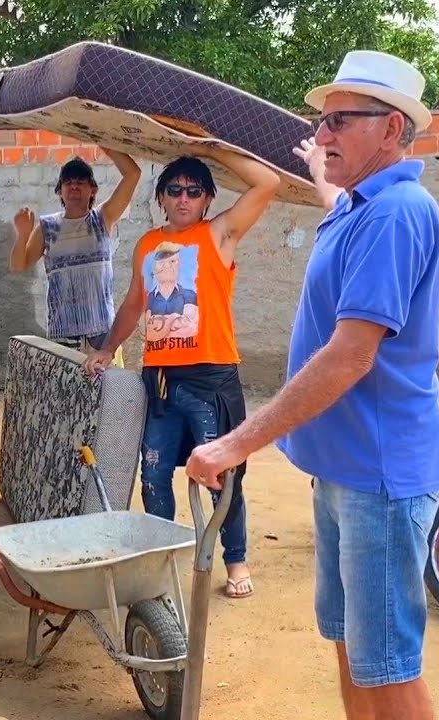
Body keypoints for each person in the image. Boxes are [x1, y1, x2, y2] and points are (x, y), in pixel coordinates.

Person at [184, 50, 439, 719]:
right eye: (320, 122)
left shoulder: (396, 214)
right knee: (351, 646)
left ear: (391, 130)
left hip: (378, 478)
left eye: (338, 122)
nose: (323, 135)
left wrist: (235, 445)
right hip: (343, 472)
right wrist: (318, 173)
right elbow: (335, 197)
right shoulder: (359, 204)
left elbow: (349, 358)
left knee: (387, 667)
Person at [84, 146, 280, 599]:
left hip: (211, 379)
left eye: (194, 190)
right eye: (174, 190)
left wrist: (211, 148)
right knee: (153, 475)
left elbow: (266, 183)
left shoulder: (220, 234)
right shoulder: (148, 246)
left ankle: (235, 560)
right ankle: (162, 562)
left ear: (208, 199)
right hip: (162, 382)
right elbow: (135, 304)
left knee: (220, 475)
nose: (184, 198)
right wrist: (107, 348)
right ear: (161, 198)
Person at [11, 149, 141, 362]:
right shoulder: (47, 227)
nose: (74, 186)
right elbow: (18, 265)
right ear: (59, 191)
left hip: (102, 335)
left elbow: (133, 174)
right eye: (68, 182)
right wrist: (23, 235)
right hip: (62, 335)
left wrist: (105, 140)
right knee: (63, 395)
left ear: (93, 189)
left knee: (106, 394)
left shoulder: (103, 218)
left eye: (81, 181)